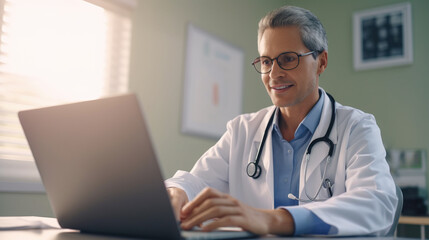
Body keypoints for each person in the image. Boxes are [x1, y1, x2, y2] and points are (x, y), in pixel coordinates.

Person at [165, 5, 398, 236]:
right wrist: (177, 191)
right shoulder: (242, 131)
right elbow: (194, 181)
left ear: (321, 62)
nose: (274, 73)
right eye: (266, 61)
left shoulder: (357, 127)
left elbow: (377, 203)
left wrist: (272, 219)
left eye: (288, 59)